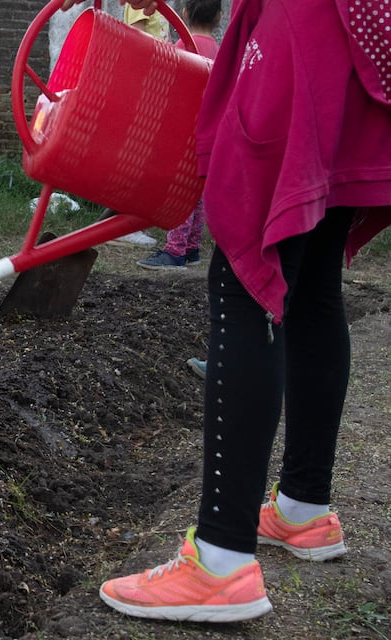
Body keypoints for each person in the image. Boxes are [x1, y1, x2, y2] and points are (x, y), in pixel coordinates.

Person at [59, 0, 390, 623]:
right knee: (313, 280)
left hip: (303, 29)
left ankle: (219, 559)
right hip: (357, 40)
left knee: (244, 276)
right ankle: (302, 508)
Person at [136, 0, 221, 270]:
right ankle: (192, 248)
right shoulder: (220, 51)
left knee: (179, 194)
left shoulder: (183, 46)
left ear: (183, 13)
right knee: (197, 193)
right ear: (219, 17)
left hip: (183, 134)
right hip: (209, 135)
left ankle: (175, 251)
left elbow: (166, 84)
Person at [104, 1, 172, 249]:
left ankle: (126, 221)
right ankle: (122, 224)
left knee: (144, 156)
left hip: (154, 83)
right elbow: (139, 41)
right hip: (145, 84)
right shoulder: (139, 3)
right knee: (135, 155)